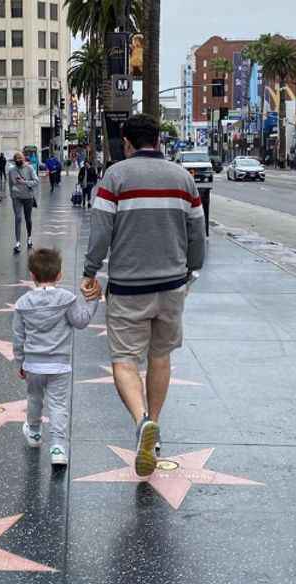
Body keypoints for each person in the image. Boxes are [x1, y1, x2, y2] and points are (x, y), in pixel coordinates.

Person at [81, 114, 206, 478]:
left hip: (128, 288)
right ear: (158, 140)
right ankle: (156, 428)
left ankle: (141, 423)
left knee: (124, 360)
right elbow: (198, 231)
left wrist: (91, 271)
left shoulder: (115, 176)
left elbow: (101, 231)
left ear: (127, 142)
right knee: (160, 356)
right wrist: (191, 271)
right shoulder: (183, 178)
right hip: (171, 285)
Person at [13, 248, 98, 466]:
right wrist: (93, 299)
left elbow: (18, 337)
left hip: (33, 364)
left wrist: (20, 362)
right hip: (59, 365)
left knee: (34, 399)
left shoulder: (23, 304)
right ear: (59, 275)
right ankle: (58, 447)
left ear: (32, 276)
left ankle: (33, 432)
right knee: (58, 405)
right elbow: (81, 321)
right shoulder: (67, 299)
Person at [8, 151, 40, 254]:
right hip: (16, 197)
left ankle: (29, 237)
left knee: (28, 218)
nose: (18, 162)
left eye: (20, 160)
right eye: (16, 161)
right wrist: (12, 194)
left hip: (28, 197)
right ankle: (17, 242)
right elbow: (10, 184)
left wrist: (24, 182)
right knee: (18, 218)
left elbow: (36, 181)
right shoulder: (11, 170)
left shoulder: (29, 168)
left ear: (23, 160)